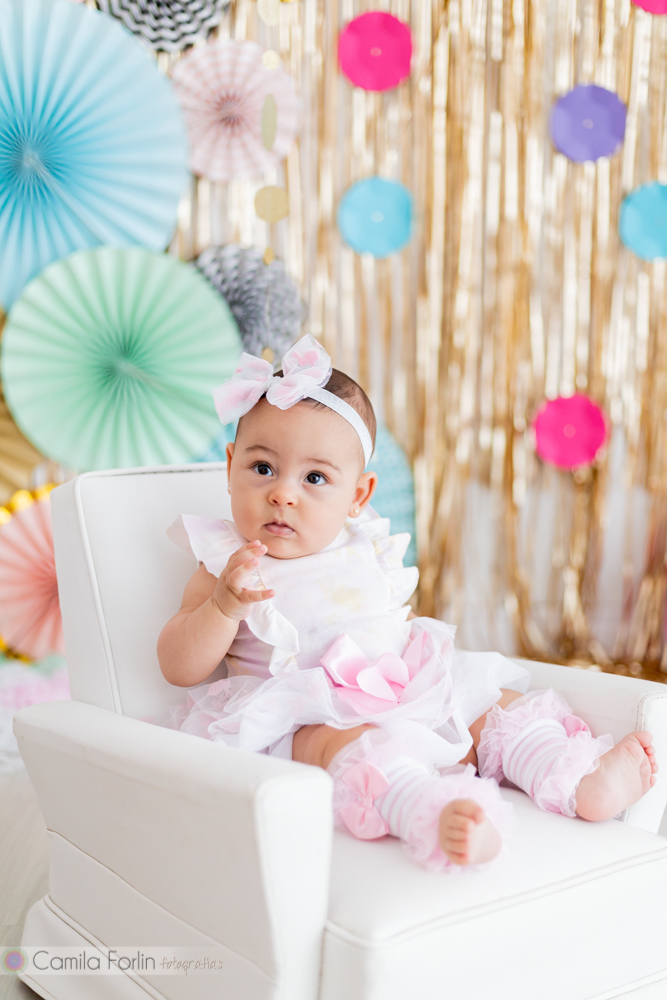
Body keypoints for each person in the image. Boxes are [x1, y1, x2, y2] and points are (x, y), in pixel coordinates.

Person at [156, 335, 658, 871]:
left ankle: (571, 776)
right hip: (310, 713)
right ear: (230, 465)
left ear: (358, 496)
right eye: (262, 468)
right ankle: (427, 810)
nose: (283, 493)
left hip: (408, 688)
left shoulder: (367, 547)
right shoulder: (225, 563)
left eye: (315, 477)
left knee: (496, 705)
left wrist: (436, 677)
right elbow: (178, 666)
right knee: (339, 744)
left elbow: (395, 621)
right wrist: (222, 608)